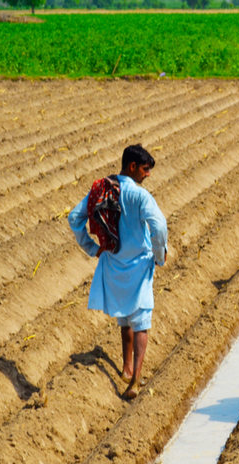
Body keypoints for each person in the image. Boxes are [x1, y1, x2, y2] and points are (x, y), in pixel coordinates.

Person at [68, 144, 168, 400]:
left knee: (124, 317)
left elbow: (74, 218)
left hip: (114, 265)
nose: (148, 174)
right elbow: (158, 225)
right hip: (139, 266)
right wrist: (159, 255)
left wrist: (92, 248)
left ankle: (125, 368)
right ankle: (135, 380)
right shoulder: (140, 196)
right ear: (132, 166)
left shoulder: (102, 189)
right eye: (145, 169)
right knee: (141, 322)